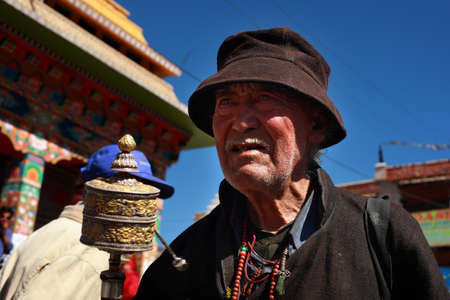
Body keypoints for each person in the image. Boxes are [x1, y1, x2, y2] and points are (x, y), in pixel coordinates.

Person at [134, 27, 448, 299]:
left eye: (265, 98)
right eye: (226, 102)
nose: (241, 122)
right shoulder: (184, 258)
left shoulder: (382, 235)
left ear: (316, 125)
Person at [0, 144, 174, 299]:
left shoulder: (52, 231)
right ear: (100, 190)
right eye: (136, 195)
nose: (145, 208)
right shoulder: (90, 254)